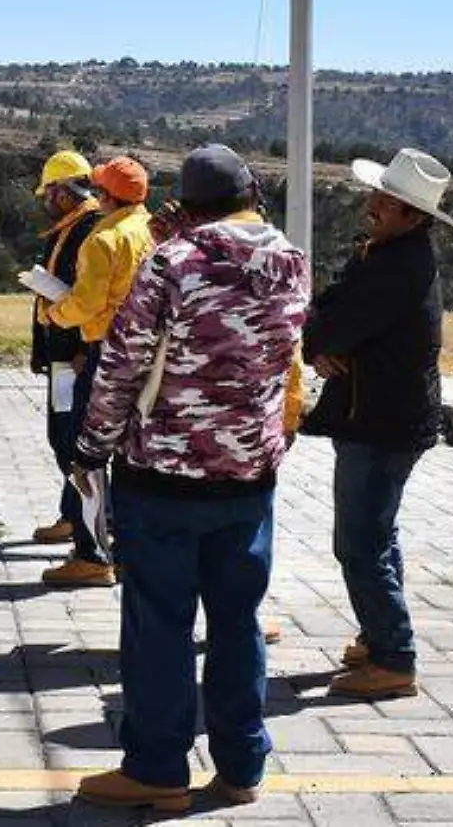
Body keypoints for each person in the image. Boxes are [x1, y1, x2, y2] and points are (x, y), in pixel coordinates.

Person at [68, 145, 308, 813]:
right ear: (253, 191)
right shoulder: (292, 261)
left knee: (160, 626)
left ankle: (157, 768)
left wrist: (90, 450)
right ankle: (241, 766)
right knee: (237, 622)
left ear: (187, 203)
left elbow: (122, 366)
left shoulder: (171, 262)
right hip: (250, 473)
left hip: (166, 476)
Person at [305, 147, 453, 702]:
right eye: (378, 196)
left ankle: (394, 655)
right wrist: (321, 341)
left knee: (359, 543)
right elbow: (330, 309)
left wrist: (320, 342)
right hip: (386, 418)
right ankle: (379, 635)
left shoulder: (396, 266)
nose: (373, 205)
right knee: (377, 534)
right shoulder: (389, 255)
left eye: (388, 202)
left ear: (414, 216)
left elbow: (334, 320)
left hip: (381, 422)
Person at [38, 156, 154, 589]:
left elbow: (86, 303)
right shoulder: (150, 230)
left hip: (105, 352)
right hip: (144, 355)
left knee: (86, 457)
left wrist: (56, 314)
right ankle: (126, 548)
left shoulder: (104, 239)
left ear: (105, 195)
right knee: (129, 456)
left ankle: (91, 555)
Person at [29, 150, 101, 547]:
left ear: (61, 191)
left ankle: (89, 526)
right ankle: (71, 514)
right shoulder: (72, 226)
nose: (45, 202)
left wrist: (83, 350)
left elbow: (87, 295)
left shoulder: (89, 227)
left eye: (48, 193)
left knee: (69, 441)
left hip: (75, 354)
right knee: (65, 435)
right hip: (63, 353)